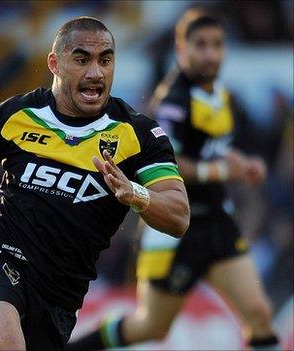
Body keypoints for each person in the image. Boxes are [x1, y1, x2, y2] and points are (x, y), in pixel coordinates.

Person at [0, 16, 190, 350]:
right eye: (82, 60)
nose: (96, 73)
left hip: (61, 298)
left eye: (105, 60)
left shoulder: (139, 135)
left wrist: (135, 193)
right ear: (55, 63)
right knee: (2, 344)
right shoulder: (15, 114)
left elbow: (179, 216)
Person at [67, 9, 281, 350]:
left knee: (259, 314)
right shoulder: (173, 101)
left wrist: (242, 162)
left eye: (217, 45)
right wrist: (224, 171)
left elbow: (213, 149)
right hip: (175, 225)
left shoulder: (218, 94)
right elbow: (170, 162)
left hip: (216, 222)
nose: (211, 54)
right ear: (181, 49)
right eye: (201, 45)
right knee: (151, 326)